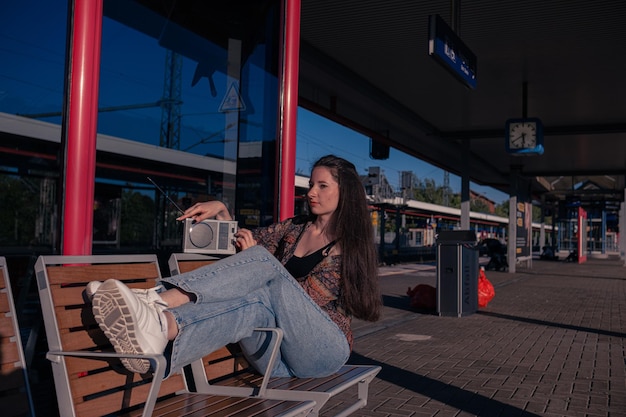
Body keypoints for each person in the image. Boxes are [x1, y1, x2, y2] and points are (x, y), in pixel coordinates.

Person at [88, 155, 382, 379]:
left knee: (266, 276)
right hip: (275, 359)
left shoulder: (349, 246)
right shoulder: (295, 228)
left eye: (322, 186)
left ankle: (154, 300)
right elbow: (248, 251)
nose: (311, 192)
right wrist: (222, 211)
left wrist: (258, 257)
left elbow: (294, 295)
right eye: (310, 185)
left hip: (321, 350)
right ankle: (162, 335)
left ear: (344, 192)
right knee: (253, 305)